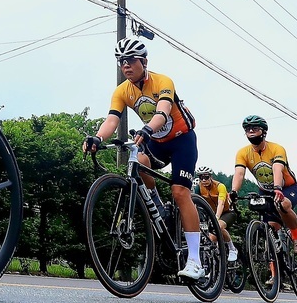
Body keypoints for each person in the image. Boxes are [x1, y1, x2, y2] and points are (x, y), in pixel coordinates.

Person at [84, 38, 206, 280]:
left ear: (144, 62)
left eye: (131, 60)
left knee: (180, 192)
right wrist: (97, 138)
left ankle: (195, 260)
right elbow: (112, 120)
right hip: (156, 142)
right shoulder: (122, 91)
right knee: (139, 162)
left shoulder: (163, 82)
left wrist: (148, 129)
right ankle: (158, 205)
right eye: (122, 62)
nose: (126, 66)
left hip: (181, 140)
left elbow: (162, 112)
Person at [231, 115, 297, 255]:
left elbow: (277, 168)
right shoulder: (243, 153)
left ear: (263, 132)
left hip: (288, 187)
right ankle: (275, 274)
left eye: (255, 128)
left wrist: (277, 188)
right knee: (270, 231)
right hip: (264, 191)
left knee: (283, 205)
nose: (251, 132)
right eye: (247, 129)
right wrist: (234, 191)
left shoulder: (277, 148)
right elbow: (239, 173)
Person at [195, 166, 238, 262]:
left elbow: (221, 203)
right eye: (201, 178)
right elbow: (195, 204)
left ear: (211, 177)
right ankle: (215, 267)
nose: (204, 180)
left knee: (218, 226)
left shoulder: (219, 186)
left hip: (227, 212)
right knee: (211, 240)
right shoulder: (199, 188)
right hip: (212, 214)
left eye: (206, 177)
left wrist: (216, 217)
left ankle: (232, 249)